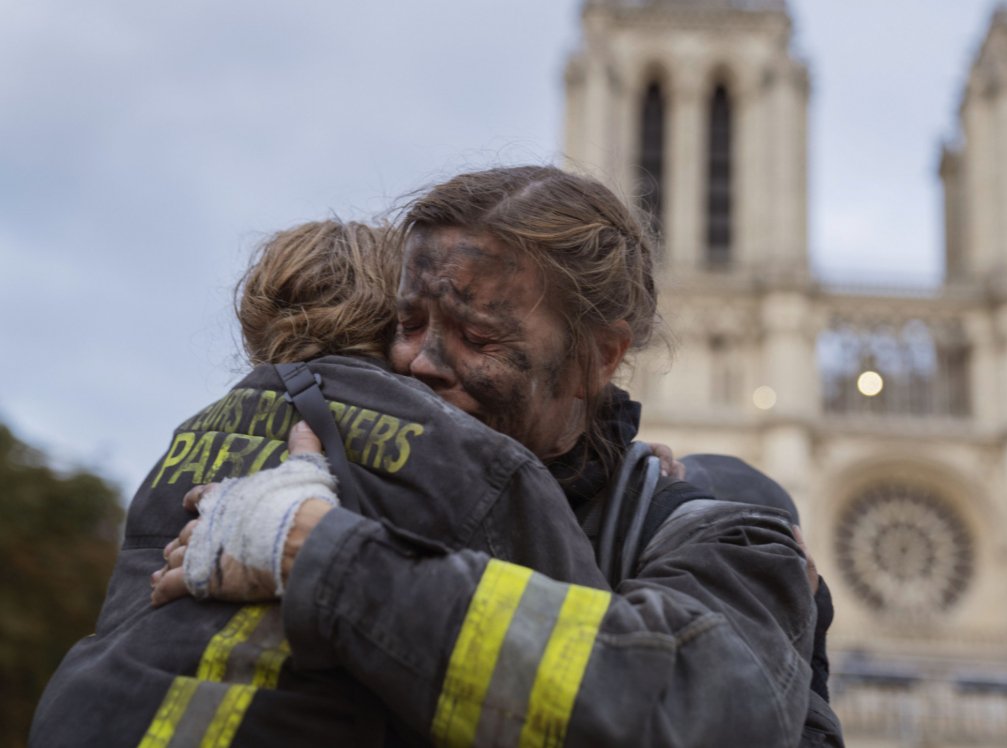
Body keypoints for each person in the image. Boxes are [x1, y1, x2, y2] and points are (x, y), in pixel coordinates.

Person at [153, 166, 843, 746]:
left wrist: (327, 559)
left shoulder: (720, 532)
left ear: (598, 357)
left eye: (476, 335)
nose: (418, 362)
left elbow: (693, 715)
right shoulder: (306, 480)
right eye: (408, 323)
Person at [30, 219, 617, 746]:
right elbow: (597, 666)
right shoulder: (471, 455)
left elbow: (133, 609)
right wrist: (612, 454)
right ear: (400, 316)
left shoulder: (187, 439)